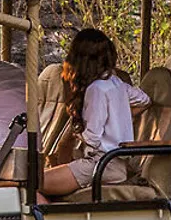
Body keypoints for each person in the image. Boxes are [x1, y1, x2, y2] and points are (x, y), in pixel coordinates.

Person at [39, 28, 150, 201]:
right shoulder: (116, 82)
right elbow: (144, 100)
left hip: (99, 164)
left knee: (32, 185)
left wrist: (75, 132)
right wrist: (119, 117)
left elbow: (92, 138)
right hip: (117, 164)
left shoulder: (95, 89)